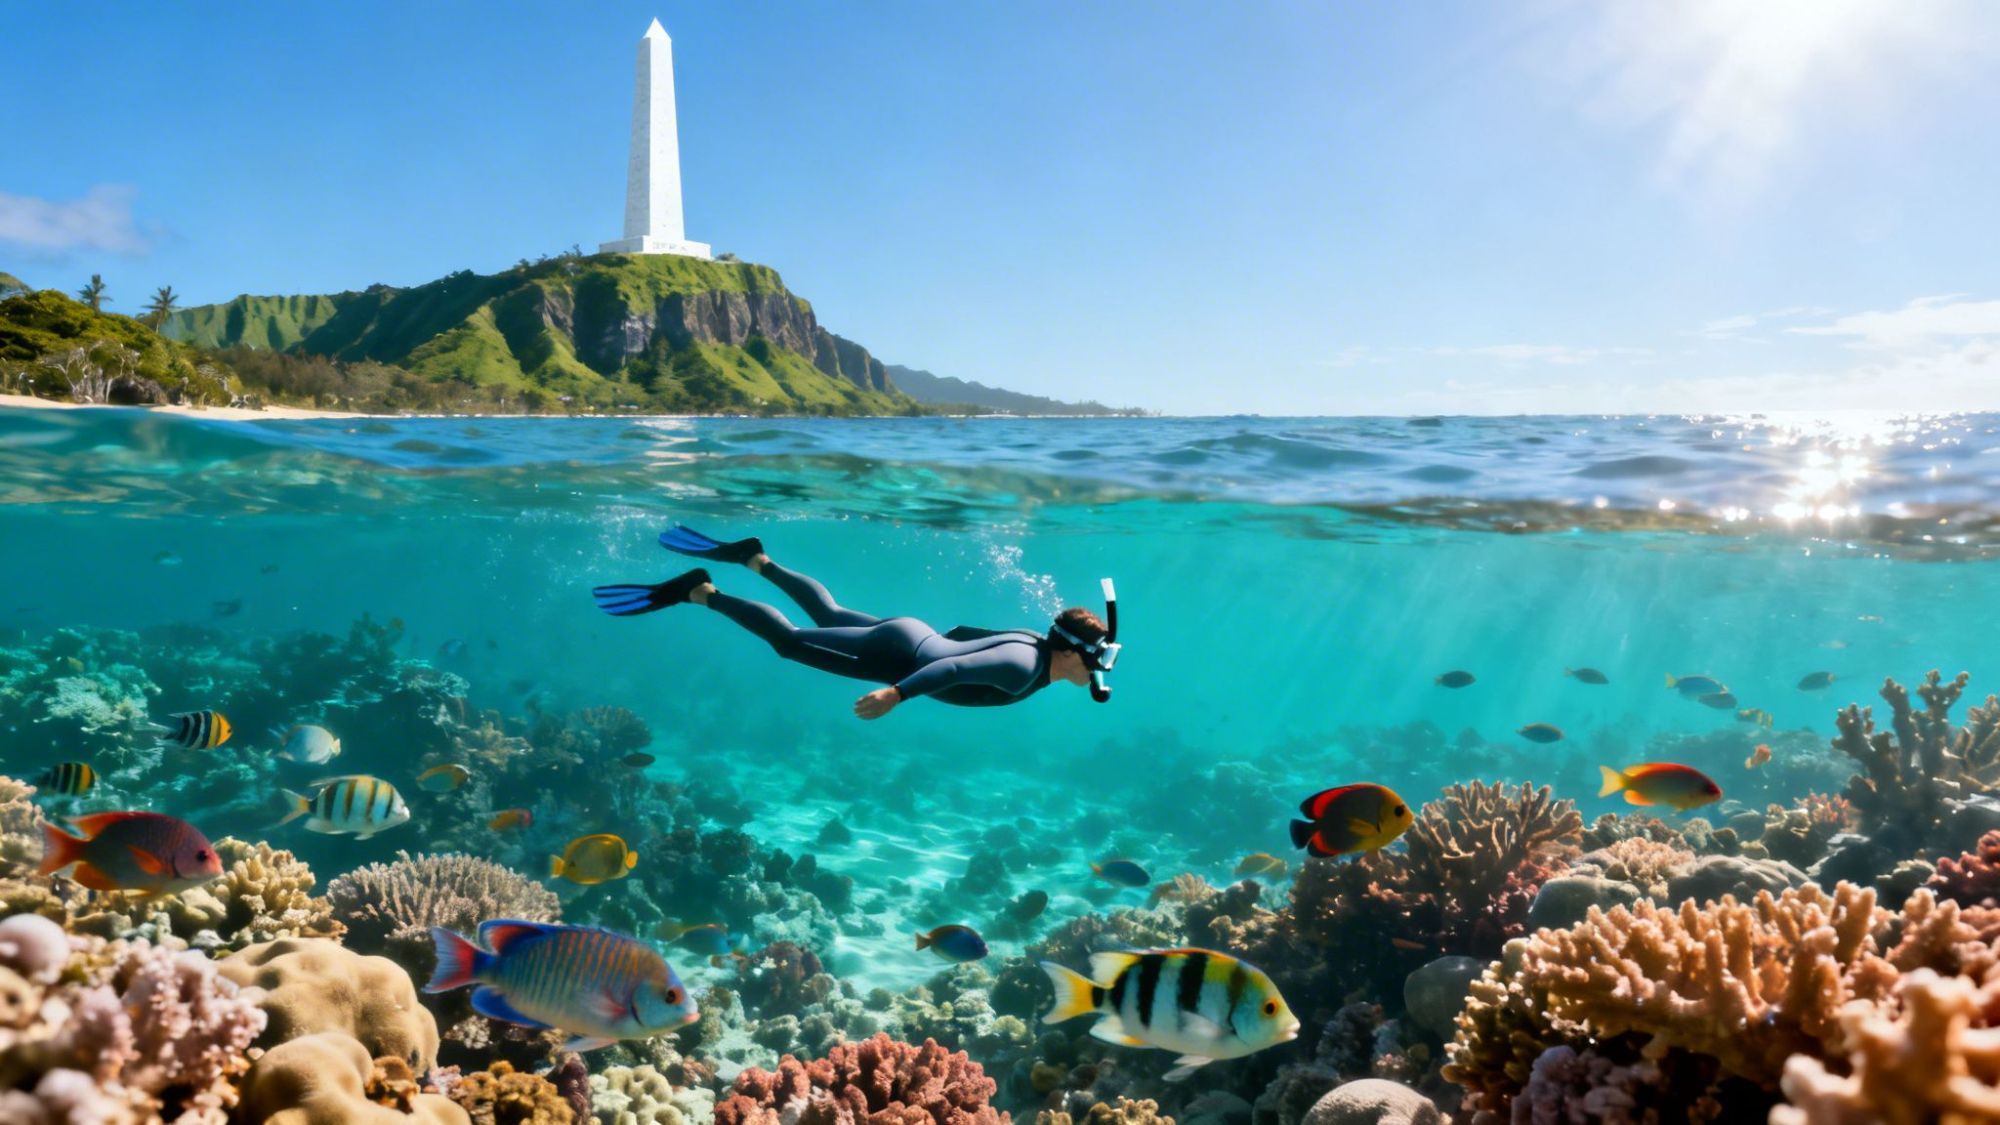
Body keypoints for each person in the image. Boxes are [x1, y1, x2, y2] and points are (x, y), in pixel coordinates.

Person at [593, 526, 1120, 719]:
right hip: (896, 656)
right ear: (1072, 652)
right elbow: (956, 673)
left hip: (913, 637)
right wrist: (897, 693)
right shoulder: (1022, 665)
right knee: (790, 642)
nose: (1100, 670)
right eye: (1100, 658)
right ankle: (701, 591)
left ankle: (757, 559)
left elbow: (960, 635)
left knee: (828, 612)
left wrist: (925, 650)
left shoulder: (1032, 645)